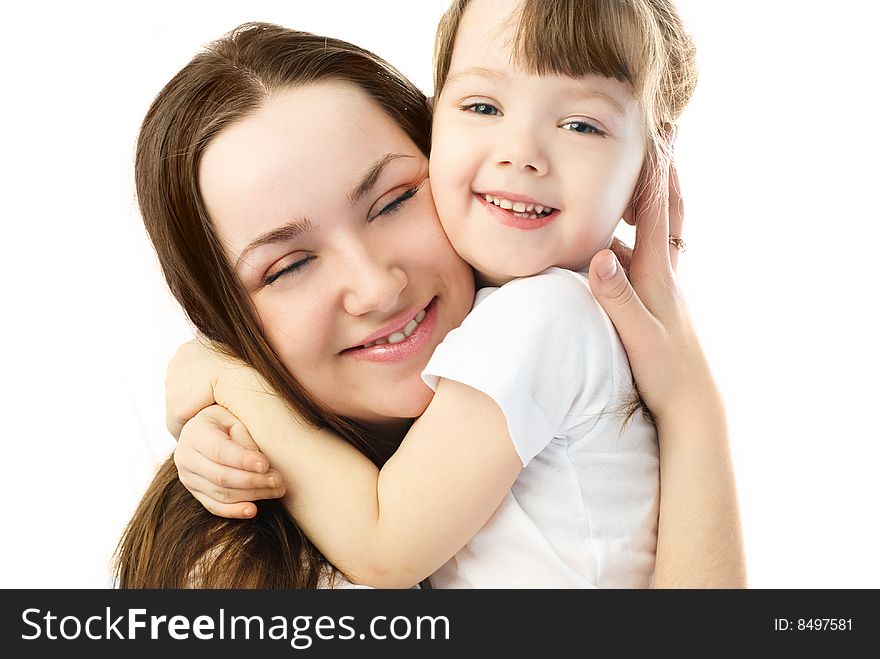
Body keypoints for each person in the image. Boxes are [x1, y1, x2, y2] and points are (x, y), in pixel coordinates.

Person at [116, 18, 745, 589]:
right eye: (290, 265)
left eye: (393, 201)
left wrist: (224, 380)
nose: (378, 287)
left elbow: (386, 543)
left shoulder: (541, 322)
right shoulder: (241, 565)